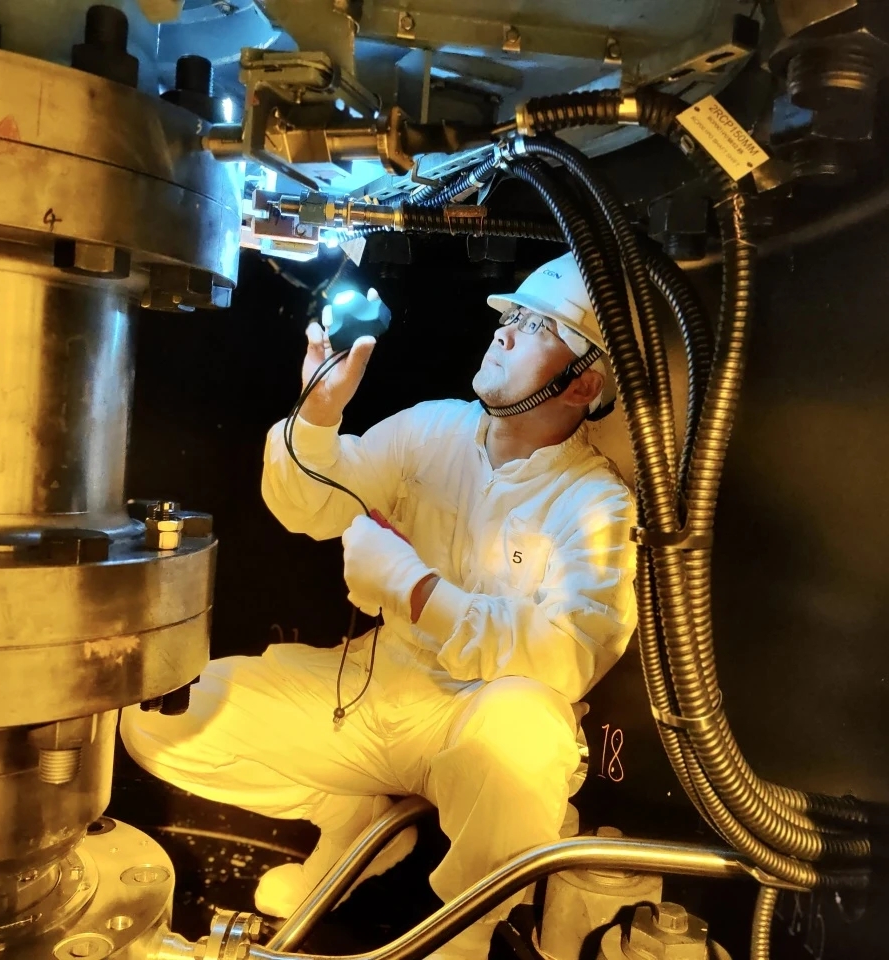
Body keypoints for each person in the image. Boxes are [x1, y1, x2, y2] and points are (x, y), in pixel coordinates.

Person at [120, 252, 638, 959]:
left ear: (582, 384)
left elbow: (569, 655)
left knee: (525, 732)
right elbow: (309, 506)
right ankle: (354, 822)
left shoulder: (596, 502)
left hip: (472, 717)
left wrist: (419, 592)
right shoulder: (432, 429)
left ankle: (468, 938)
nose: (506, 332)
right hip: (379, 687)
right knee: (159, 720)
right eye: (511, 315)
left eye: (538, 326)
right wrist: (317, 419)